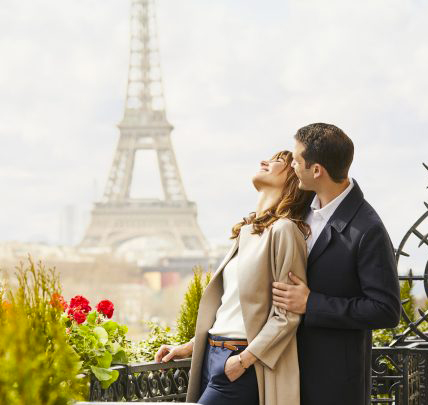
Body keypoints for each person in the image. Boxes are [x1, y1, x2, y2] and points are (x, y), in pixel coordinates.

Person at [155, 150, 313, 405]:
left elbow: (287, 316)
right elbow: (230, 308)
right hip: (213, 355)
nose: (264, 162)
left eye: (277, 162)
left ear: (292, 180)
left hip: (241, 358)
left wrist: (243, 361)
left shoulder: (285, 231)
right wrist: (191, 347)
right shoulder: (248, 232)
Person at [271, 123, 402, 405]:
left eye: (296, 159)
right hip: (284, 372)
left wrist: (312, 304)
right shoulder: (298, 208)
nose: (290, 164)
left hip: (332, 385)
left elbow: (386, 310)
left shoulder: (369, 228)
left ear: (316, 170)